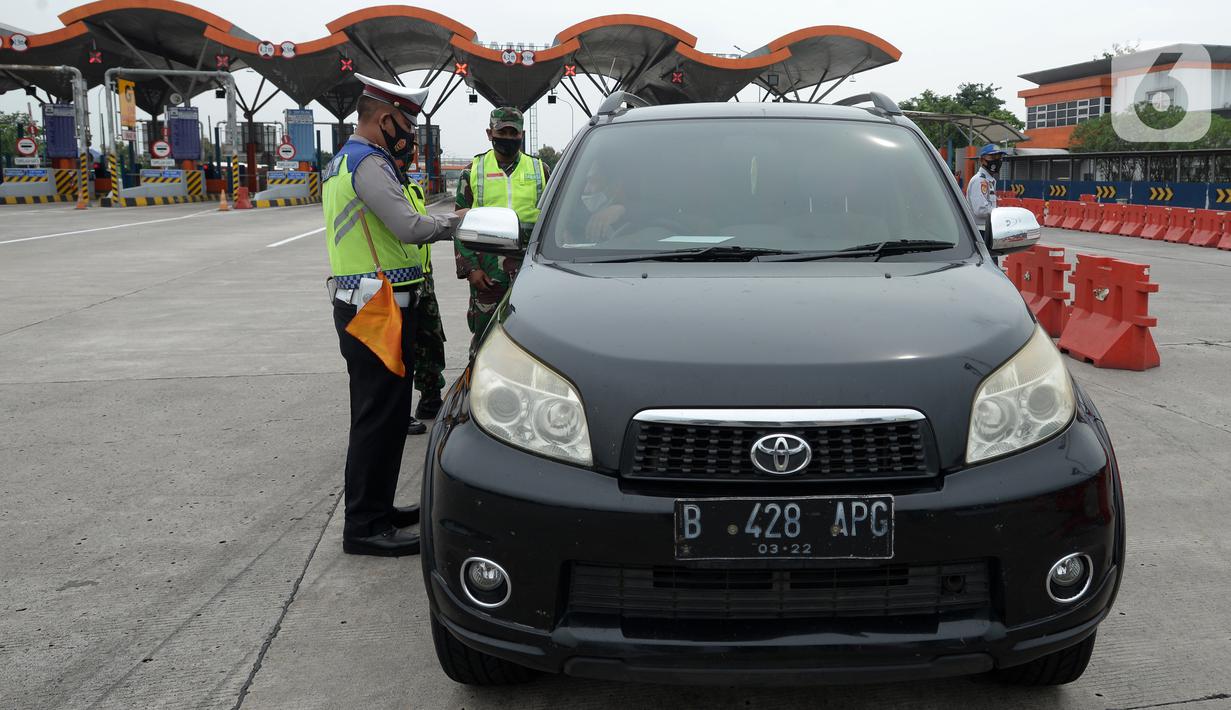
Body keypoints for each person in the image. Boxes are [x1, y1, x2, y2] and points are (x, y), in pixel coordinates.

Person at [323, 73, 464, 557]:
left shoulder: (351, 160)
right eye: (407, 122)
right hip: (375, 307)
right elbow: (407, 226)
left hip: (373, 303)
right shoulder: (368, 162)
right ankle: (364, 525)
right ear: (385, 119)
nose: (410, 134)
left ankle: (378, 509)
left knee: (384, 415)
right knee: (377, 417)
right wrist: (455, 224)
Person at [454, 107, 549, 346]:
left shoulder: (541, 170)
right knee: (485, 339)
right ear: (490, 133)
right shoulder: (472, 172)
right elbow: (458, 224)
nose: (508, 137)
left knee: (533, 338)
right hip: (487, 274)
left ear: (522, 135)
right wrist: (470, 269)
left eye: (513, 133)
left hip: (529, 270)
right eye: (502, 131)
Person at [966, 144, 1006, 252]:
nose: (997, 161)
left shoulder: (989, 181)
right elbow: (980, 209)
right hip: (980, 232)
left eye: (999, 158)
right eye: (992, 157)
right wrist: (1000, 213)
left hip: (988, 231)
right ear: (982, 160)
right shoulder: (979, 181)